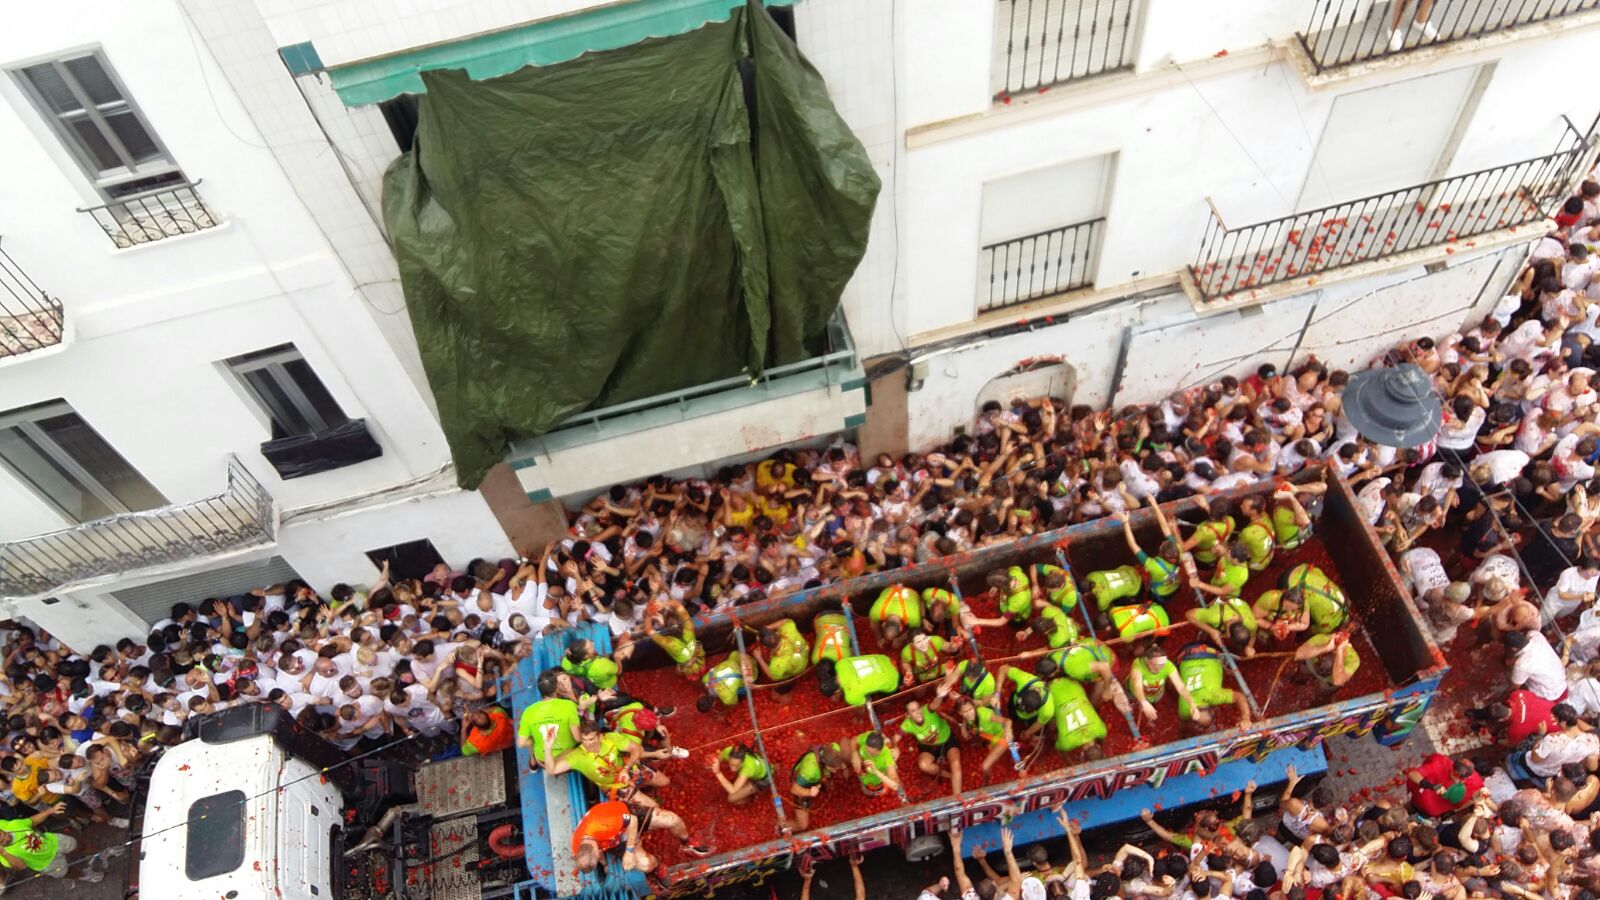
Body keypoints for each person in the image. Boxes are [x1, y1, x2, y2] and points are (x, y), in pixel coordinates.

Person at [570, 797, 710, 872]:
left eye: (599, 853)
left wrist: (630, 851)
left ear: (595, 849)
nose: (601, 854)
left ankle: (687, 842)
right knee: (646, 864)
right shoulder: (578, 847)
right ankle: (658, 866)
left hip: (628, 817)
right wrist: (606, 866)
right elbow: (596, 855)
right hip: (616, 840)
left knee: (673, 820)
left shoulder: (604, 823)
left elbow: (633, 820)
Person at [1175, 642, 1252, 729]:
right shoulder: (1184, 709)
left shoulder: (1214, 695)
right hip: (1185, 652)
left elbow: (1240, 697)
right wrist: (1246, 719)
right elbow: (1240, 696)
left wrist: (1246, 719)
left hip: (1205, 651)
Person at [900, 699, 962, 795]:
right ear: (908, 715)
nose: (917, 712)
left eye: (918, 708)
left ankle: (958, 799)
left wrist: (940, 696)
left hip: (947, 739)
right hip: (929, 746)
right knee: (924, 765)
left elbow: (934, 704)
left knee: (956, 764)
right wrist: (894, 746)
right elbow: (896, 737)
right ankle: (950, 776)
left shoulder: (927, 710)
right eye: (912, 711)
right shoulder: (907, 724)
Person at [0, 800, 73, 880]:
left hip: (53, 841)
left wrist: (50, 811)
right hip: (47, 863)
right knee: (67, 873)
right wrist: (3, 853)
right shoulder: (2, 855)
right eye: (2, 841)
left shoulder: (3, 824)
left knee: (76, 846)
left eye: (4, 834)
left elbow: (32, 821)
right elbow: (21, 866)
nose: (7, 838)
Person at [788, 743, 845, 832]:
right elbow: (794, 789)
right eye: (833, 768)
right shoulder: (810, 770)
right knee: (802, 825)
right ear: (825, 763)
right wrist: (809, 792)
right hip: (804, 784)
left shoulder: (834, 748)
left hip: (817, 778)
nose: (836, 770)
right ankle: (780, 828)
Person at [955, 695, 1016, 779]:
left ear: (974, 707)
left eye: (970, 709)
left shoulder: (984, 714)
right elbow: (965, 719)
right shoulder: (968, 717)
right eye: (965, 712)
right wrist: (963, 729)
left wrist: (1007, 731)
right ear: (960, 713)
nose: (969, 714)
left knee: (985, 766)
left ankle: (987, 782)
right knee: (990, 754)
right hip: (991, 737)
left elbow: (1007, 721)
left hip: (1003, 736)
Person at [819, 654, 900, 707]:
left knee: (883, 703)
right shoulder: (840, 664)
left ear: (836, 692)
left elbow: (865, 704)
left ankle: (884, 709)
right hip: (886, 659)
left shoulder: (851, 697)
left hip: (892, 678)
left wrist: (858, 719)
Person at [1295, 630, 1360, 690]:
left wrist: (1339, 651)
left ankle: (1319, 700)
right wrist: (1326, 647)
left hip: (1328, 680)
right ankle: (1298, 681)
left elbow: (1338, 681)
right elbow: (1298, 654)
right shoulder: (1322, 639)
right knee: (1303, 670)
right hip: (1310, 665)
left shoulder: (1353, 658)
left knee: (1324, 690)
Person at [847, 730, 900, 797]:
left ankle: (875, 792)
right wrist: (854, 753)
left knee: (873, 793)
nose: (868, 755)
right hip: (863, 772)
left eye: (872, 754)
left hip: (877, 782)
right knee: (864, 786)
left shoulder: (887, 756)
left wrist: (876, 772)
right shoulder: (869, 738)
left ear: (880, 751)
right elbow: (853, 740)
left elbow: (895, 785)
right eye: (867, 750)